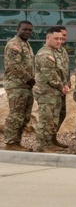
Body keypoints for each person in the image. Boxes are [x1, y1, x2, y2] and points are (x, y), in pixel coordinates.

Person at [3, 20, 34, 150]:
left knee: (24, 116)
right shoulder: (14, 45)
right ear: (18, 29)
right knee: (16, 115)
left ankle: (17, 142)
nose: (27, 32)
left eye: (29, 30)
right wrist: (29, 78)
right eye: (24, 29)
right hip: (16, 86)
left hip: (26, 86)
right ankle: (10, 143)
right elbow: (14, 65)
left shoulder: (26, 44)